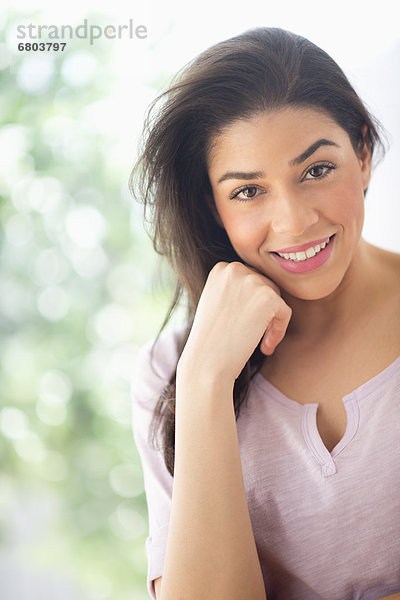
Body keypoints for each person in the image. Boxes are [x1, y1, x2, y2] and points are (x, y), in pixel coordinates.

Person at [130, 27, 400, 600]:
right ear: (212, 205)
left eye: (317, 170)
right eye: (249, 191)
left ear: (363, 153)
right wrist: (204, 381)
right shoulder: (171, 372)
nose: (295, 222)